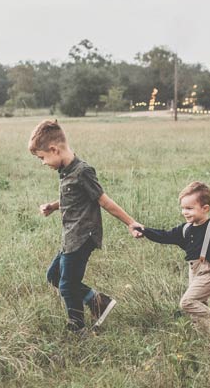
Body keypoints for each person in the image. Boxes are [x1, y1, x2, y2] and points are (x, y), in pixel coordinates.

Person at [29, 119, 144, 334]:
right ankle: (98, 302)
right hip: (70, 237)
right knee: (54, 276)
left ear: (54, 149)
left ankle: (77, 327)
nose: (43, 163)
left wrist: (131, 223)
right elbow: (73, 197)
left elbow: (103, 200)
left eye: (42, 158)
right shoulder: (66, 171)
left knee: (67, 285)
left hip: (82, 237)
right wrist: (54, 206)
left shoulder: (83, 171)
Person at [135, 182, 210, 341]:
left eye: (189, 208)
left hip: (209, 272)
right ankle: (207, 342)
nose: (185, 212)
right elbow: (165, 236)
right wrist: (144, 230)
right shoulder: (185, 229)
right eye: (183, 208)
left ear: (205, 208)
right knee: (197, 311)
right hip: (194, 272)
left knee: (187, 302)